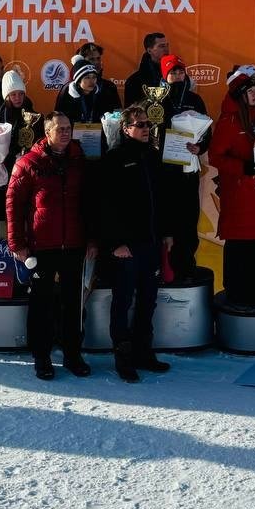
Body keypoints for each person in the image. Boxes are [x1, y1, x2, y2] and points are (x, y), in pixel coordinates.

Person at [6, 111, 96, 381]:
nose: (66, 133)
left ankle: (72, 354)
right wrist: (17, 243)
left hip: (74, 244)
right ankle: (42, 356)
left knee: (72, 303)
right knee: (41, 304)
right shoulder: (28, 162)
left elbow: (89, 204)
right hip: (41, 246)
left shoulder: (80, 161)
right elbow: (13, 204)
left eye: (69, 128)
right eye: (60, 129)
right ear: (47, 133)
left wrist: (92, 239)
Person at [101, 104, 174, 383]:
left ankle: (144, 352)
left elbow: (163, 199)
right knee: (122, 301)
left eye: (147, 125)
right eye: (140, 125)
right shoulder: (115, 159)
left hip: (152, 244)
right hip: (126, 247)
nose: (146, 129)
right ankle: (123, 357)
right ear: (126, 128)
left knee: (148, 300)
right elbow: (106, 207)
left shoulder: (154, 156)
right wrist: (115, 243)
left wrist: (166, 232)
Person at [208, 66, 255, 308]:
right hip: (238, 191)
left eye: (254, 90)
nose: (254, 94)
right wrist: (242, 168)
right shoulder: (229, 120)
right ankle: (237, 288)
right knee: (240, 240)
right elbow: (215, 157)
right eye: (249, 91)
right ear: (240, 94)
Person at [157, 54, 211, 284]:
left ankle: (186, 266)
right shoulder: (157, 101)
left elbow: (208, 130)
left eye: (181, 72)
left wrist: (200, 147)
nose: (178, 76)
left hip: (188, 167)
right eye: (173, 72)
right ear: (164, 76)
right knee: (167, 218)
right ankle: (165, 267)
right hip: (165, 169)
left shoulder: (195, 99)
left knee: (189, 218)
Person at [0, 69, 44, 235]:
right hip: (4, 173)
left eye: (21, 94)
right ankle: (6, 248)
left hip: (27, 172)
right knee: (5, 212)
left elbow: (41, 143)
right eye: (13, 94)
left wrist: (28, 154)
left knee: (27, 211)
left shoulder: (36, 117)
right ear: (6, 96)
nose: (18, 98)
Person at [55, 60, 121, 154]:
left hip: (98, 141)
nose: (91, 81)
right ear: (78, 80)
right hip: (73, 143)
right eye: (87, 77)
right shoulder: (67, 93)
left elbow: (113, 117)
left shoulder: (103, 93)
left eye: (94, 77)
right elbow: (58, 119)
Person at [123, 31, 169, 106]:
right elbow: (130, 112)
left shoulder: (176, 75)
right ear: (149, 50)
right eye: (161, 46)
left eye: (167, 45)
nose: (166, 49)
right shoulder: (134, 81)